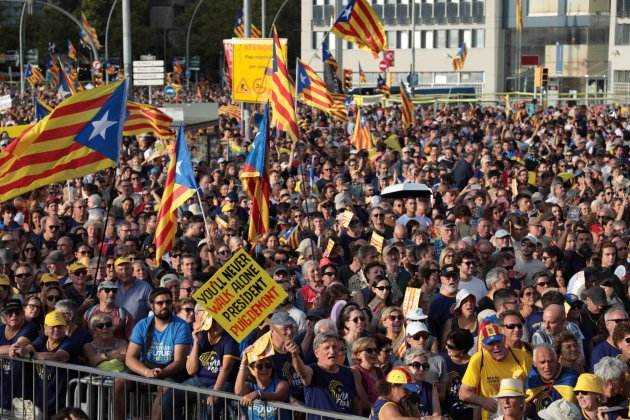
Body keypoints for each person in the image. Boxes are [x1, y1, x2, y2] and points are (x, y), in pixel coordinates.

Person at [122, 287, 192, 420]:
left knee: (165, 388)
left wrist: (162, 373)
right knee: (119, 381)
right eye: (160, 303)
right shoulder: (142, 325)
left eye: (168, 302)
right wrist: (146, 372)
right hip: (147, 367)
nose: (165, 306)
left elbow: (179, 361)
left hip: (171, 370)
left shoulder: (181, 326)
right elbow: (130, 358)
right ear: (152, 306)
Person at [459, 323, 532, 420]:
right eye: (491, 343)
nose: (496, 347)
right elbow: (463, 393)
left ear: (504, 340)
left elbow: (533, 387)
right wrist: (483, 401)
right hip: (491, 415)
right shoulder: (478, 359)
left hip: (518, 412)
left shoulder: (522, 357)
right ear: (483, 345)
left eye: (498, 341)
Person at [288, 332, 358, 419]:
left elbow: (355, 403)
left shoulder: (348, 373)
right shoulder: (312, 370)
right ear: (316, 353)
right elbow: (302, 372)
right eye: (327, 348)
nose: (332, 351)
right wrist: (295, 356)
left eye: (334, 347)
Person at [524, 344, 577, 419]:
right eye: (542, 362)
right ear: (534, 363)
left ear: (557, 360)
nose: (547, 366)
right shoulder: (530, 382)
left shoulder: (571, 378)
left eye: (551, 361)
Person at [235, 352, 290, 420]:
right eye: (259, 366)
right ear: (252, 370)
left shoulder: (281, 384)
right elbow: (238, 392)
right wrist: (243, 364)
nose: (264, 369)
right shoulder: (250, 387)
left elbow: (279, 395)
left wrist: (258, 394)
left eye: (268, 365)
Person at [403, 348, 441, 418]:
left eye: (424, 366)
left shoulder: (432, 387)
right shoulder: (400, 388)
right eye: (416, 365)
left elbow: (437, 415)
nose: (421, 369)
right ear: (406, 367)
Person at [590, 306, 627, 370]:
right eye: (618, 321)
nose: (623, 323)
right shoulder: (600, 352)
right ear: (607, 324)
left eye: (626, 320)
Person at [351, 336, 384, 404]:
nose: (374, 353)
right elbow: (363, 400)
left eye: (375, 350)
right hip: (369, 412)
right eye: (369, 350)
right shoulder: (355, 371)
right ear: (358, 355)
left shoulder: (379, 371)